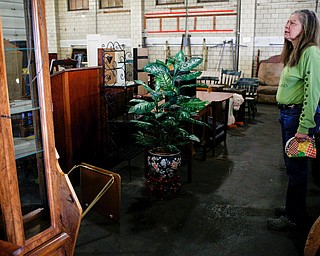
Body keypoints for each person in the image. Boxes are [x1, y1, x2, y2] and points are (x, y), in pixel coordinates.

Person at [267, 9, 320, 231]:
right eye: (287, 22)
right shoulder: (295, 52)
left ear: (305, 28)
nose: (287, 26)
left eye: (293, 23)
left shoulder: (311, 53)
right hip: (288, 116)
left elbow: (313, 93)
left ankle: (293, 217)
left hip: (297, 119)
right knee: (292, 167)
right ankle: (294, 208)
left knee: (296, 169)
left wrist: (305, 127)